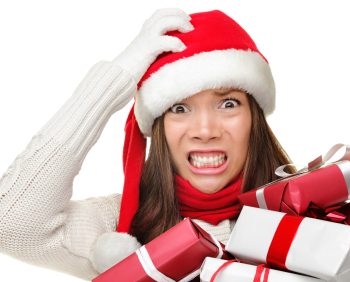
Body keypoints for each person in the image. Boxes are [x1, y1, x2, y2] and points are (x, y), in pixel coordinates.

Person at [0, 8, 293, 281]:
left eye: (228, 104)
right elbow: (10, 222)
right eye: (179, 108)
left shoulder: (308, 215)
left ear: (254, 120)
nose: (205, 130)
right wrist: (118, 77)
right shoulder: (118, 229)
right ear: (158, 127)